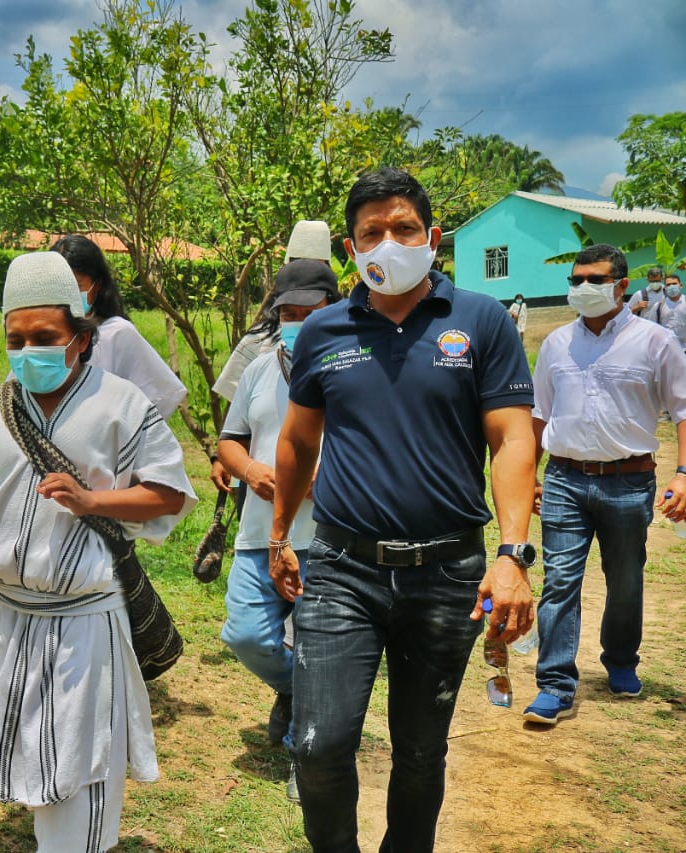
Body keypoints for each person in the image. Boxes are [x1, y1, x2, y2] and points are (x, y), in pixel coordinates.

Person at [268, 167, 537, 851]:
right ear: (351, 250)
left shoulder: (481, 322)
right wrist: (278, 535)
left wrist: (511, 554)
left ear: (432, 237)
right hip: (340, 569)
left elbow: (511, 439)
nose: (388, 241)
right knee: (319, 744)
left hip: (447, 574)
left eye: (403, 228)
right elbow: (298, 440)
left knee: (420, 751)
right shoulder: (324, 330)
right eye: (370, 233)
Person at [0, 251, 196, 852]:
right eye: (16, 339)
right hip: (7, 614)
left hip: (83, 618)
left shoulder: (122, 403)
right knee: (30, 747)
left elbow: (165, 494)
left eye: (45, 337)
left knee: (80, 765)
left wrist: (92, 500)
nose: (29, 351)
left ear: (81, 336)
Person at [523, 244, 686, 725]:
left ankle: (620, 661)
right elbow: (538, 415)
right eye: (575, 280)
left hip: (629, 482)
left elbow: (682, 410)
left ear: (620, 286)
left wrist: (683, 473)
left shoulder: (654, 342)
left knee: (626, 581)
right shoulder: (555, 344)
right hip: (564, 479)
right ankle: (554, 684)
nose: (582, 289)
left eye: (593, 280)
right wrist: (529, 475)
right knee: (560, 582)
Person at [215, 259, 340, 802]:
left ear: (333, 310)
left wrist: (327, 478)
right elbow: (229, 440)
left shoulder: (357, 368)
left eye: (310, 312)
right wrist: (250, 470)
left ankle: (304, 757)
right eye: (289, 313)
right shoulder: (260, 370)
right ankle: (298, 692)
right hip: (260, 535)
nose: (298, 322)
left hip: (332, 539)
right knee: (246, 635)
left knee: (318, 648)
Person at [210, 220, 335, 492]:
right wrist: (228, 459)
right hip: (263, 487)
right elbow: (237, 406)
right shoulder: (260, 340)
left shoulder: (350, 350)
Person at [50, 234, 186, 419]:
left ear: (97, 285)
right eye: (58, 287)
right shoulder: (38, 335)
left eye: (76, 286)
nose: (67, 295)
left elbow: (157, 396)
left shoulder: (116, 333)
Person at [649, 273, 686, 350]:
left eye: (674, 284)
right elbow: (651, 327)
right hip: (667, 349)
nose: (671, 286)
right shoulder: (658, 306)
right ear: (665, 287)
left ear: (681, 285)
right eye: (668, 285)